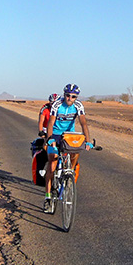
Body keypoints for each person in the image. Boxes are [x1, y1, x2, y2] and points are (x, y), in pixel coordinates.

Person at [43, 83, 93, 213]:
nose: (70, 98)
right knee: (52, 162)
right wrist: (50, 138)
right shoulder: (57, 104)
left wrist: (88, 141)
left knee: (76, 151)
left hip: (70, 134)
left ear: (76, 97)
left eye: (73, 96)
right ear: (64, 94)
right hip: (55, 133)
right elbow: (51, 122)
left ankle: (69, 173)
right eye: (68, 95)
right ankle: (48, 197)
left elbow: (83, 123)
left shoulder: (78, 106)